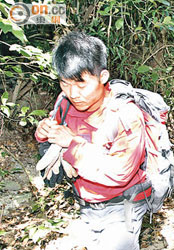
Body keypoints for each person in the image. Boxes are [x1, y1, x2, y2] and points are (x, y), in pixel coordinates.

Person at [35, 32, 151, 250]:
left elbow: (120, 173)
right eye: (64, 83)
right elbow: (54, 130)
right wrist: (44, 132)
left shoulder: (125, 114)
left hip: (123, 205)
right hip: (85, 203)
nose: (73, 93)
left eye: (81, 84)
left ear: (103, 76)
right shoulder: (65, 102)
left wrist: (72, 144)